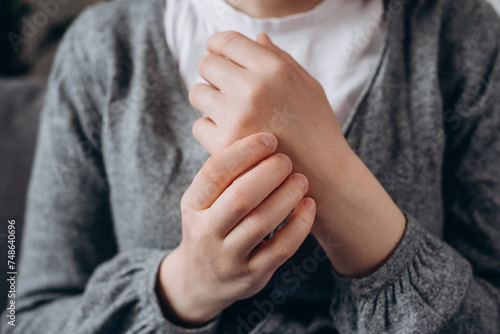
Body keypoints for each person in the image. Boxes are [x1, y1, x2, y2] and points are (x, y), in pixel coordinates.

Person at [2, 0, 499, 333]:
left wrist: (335, 180)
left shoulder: (465, 37)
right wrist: (186, 286)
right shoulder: (104, 48)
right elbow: (26, 316)